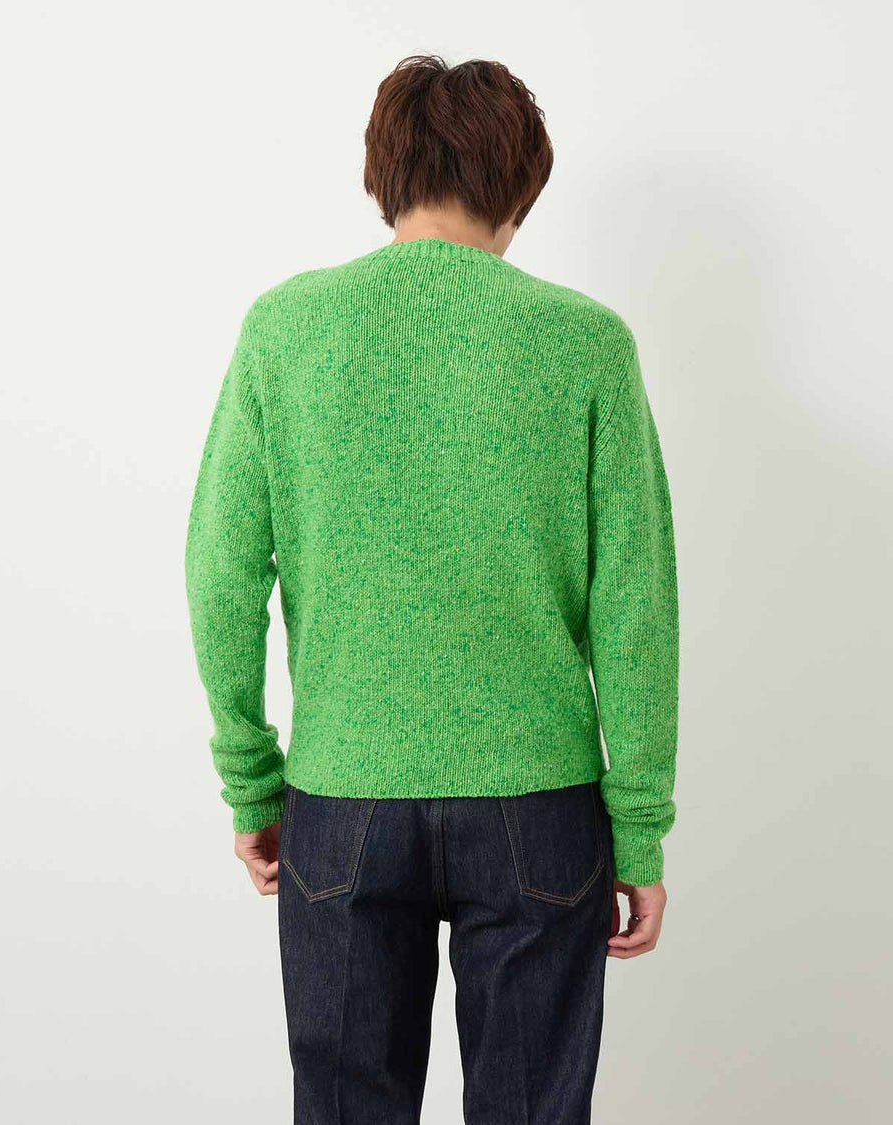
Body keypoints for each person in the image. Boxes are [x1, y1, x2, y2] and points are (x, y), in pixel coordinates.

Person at [184, 53, 679, 1125]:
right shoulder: (587, 343)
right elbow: (635, 606)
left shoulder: (286, 329)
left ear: (384, 174)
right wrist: (639, 829)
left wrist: (252, 784)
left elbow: (220, 572)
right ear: (519, 186)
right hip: (538, 807)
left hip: (343, 801)